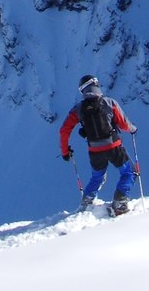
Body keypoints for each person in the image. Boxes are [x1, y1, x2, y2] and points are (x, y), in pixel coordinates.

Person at [59, 74, 138, 215]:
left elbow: (64, 130)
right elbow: (124, 124)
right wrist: (133, 129)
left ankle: (87, 202)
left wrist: (65, 152)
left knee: (97, 177)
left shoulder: (78, 109)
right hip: (114, 147)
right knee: (129, 172)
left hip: (94, 150)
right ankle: (120, 202)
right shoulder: (109, 102)